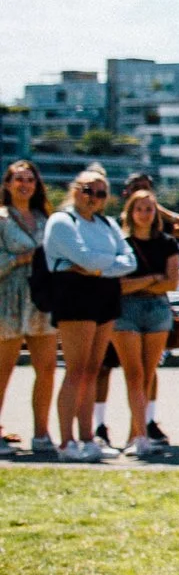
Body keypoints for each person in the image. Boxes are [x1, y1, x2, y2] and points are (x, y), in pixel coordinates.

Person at [40, 166, 136, 461]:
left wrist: (96, 266)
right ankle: (67, 441)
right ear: (75, 190)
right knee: (76, 369)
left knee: (93, 370)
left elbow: (129, 260)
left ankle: (87, 436)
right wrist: (103, 264)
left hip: (104, 295)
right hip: (74, 295)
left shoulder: (107, 224)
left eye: (100, 193)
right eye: (88, 190)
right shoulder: (61, 221)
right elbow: (81, 256)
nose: (94, 197)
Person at [112, 177, 179, 457]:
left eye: (149, 209)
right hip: (126, 310)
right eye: (139, 208)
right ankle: (139, 435)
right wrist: (153, 278)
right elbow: (119, 285)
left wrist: (143, 281)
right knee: (133, 373)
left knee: (147, 373)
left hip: (157, 310)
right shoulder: (121, 241)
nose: (145, 213)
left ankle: (136, 433)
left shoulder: (166, 242)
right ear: (130, 212)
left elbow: (172, 282)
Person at [1, 160, 61, 458]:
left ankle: (41, 431)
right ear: (8, 184)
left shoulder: (45, 218)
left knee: (47, 368)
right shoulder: (1, 218)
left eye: (30, 180)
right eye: (19, 179)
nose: (24, 185)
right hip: (7, 299)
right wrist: (19, 259)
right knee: (3, 368)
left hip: (40, 299)